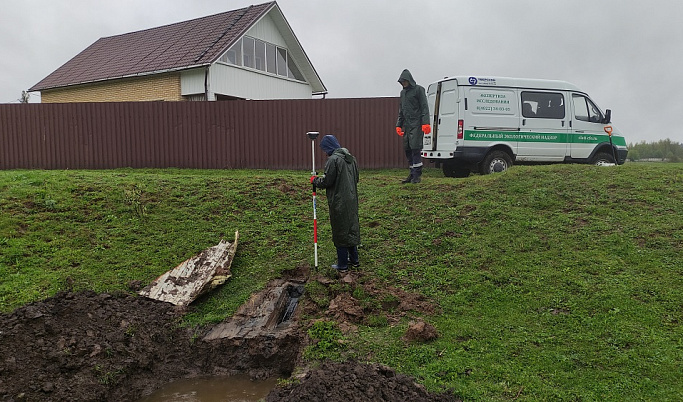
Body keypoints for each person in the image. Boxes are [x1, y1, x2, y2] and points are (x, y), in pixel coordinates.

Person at [311, 135, 360, 273]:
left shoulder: (333, 160)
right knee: (350, 227)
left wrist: (315, 180)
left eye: (325, 149)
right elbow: (356, 178)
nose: (324, 153)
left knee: (340, 230)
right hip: (352, 199)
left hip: (339, 201)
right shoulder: (351, 158)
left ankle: (342, 264)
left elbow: (327, 182)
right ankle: (354, 260)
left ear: (328, 147)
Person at [396, 69, 431, 184]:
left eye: (405, 81)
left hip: (416, 124)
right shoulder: (403, 93)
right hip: (407, 125)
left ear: (409, 80)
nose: (404, 83)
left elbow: (424, 107)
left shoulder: (419, 90)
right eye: (402, 82)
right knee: (408, 150)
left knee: (415, 148)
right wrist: (399, 125)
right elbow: (402, 110)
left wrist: (425, 123)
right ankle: (411, 174)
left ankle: (417, 175)